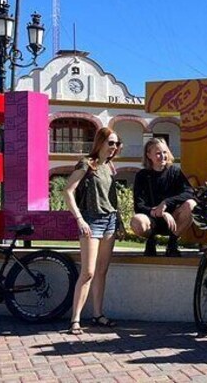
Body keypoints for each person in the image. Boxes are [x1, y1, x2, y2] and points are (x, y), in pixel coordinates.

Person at [63, 127, 123, 335]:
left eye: (116, 144)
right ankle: (75, 319)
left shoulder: (109, 166)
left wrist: (119, 223)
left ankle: (98, 314)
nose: (114, 147)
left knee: (101, 271)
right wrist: (79, 219)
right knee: (88, 272)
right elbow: (68, 191)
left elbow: (111, 199)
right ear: (100, 142)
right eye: (111, 143)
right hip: (91, 220)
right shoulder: (87, 163)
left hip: (110, 221)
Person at [131, 138, 196, 257]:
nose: (162, 156)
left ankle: (172, 242)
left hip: (174, 219)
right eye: (158, 153)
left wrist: (166, 203)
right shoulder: (142, 175)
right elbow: (138, 205)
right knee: (137, 221)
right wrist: (158, 212)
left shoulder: (175, 172)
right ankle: (151, 240)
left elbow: (189, 192)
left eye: (164, 152)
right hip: (151, 220)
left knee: (191, 205)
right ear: (149, 155)